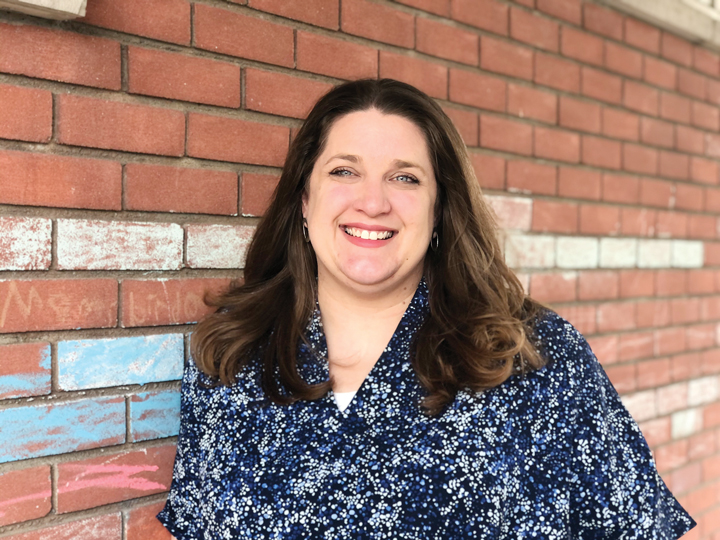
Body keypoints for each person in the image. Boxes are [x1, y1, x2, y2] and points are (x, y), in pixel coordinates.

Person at [157, 78, 696, 539]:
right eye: (344, 171)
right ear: (303, 199)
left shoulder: (535, 358)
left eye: (405, 177)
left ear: (439, 209)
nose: (373, 201)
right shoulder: (233, 358)